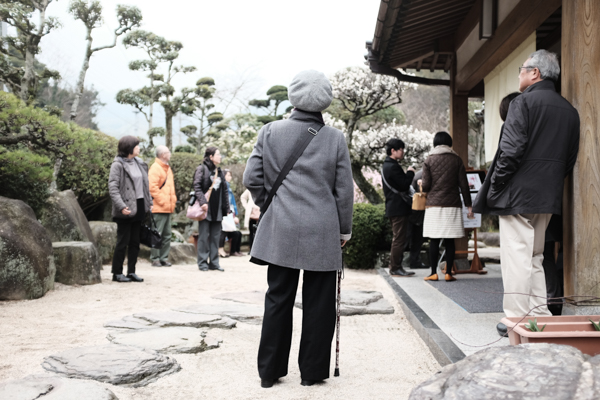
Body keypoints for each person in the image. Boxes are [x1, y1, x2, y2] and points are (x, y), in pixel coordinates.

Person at [243, 70, 353, 388]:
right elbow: (344, 192)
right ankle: (312, 373)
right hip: (322, 229)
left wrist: (270, 203)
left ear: (292, 96)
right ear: (325, 101)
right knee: (320, 303)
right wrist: (343, 231)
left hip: (281, 227)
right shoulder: (334, 139)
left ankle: (269, 372)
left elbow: (251, 177)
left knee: (278, 298)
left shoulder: (270, 131)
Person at [473, 49, 580, 320]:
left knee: (517, 257)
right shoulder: (570, 111)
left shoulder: (523, 103)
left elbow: (510, 151)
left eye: (522, 68)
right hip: (547, 196)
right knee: (536, 256)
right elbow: (569, 159)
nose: (519, 73)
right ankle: (539, 315)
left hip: (516, 196)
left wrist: (496, 185)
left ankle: (517, 318)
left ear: (535, 72)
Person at [420, 131, 473, 282]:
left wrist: (421, 185)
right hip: (452, 204)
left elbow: (426, 185)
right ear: (449, 143)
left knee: (434, 240)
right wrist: (469, 205)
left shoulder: (429, 160)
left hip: (434, 205)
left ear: (435, 143)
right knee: (450, 240)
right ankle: (448, 272)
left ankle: (433, 273)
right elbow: (464, 185)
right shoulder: (456, 160)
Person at [108, 135, 153, 283]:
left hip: (139, 205)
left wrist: (149, 202)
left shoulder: (140, 163)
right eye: (136, 146)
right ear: (129, 148)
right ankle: (117, 272)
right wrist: (121, 206)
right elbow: (113, 188)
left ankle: (131, 271)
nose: (139, 148)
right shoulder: (118, 165)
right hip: (125, 207)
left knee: (135, 241)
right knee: (123, 241)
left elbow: (145, 186)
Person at [381, 138, 416, 277]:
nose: (403, 152)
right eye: (401, 149)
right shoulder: (393, 166)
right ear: (393, 151)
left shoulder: (386, 165)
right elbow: (404, 184)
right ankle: (395, 268)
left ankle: (395, 266)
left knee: (398, 238)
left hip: (393, 207)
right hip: (398, 208)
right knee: (399, 239)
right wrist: (410, 172)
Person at [193, 147, 230, 272]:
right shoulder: (202, 169)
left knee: (216, 236)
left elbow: (225, 190)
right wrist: (203, 202)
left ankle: (214, 262)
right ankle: (202, 263)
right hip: (205, 209)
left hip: (217, 209)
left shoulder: (219, 171)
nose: (220, 157)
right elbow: (196, 186)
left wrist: (227, 208)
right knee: (203, 236)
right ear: (211, 157)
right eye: (218, 154)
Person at [148, 145, 177, 267]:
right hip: (159, 207)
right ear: (163, 154)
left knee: (167, 234)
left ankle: (164, 258)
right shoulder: (155, 168)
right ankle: (155, 258)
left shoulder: (167, 168)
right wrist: (164, 201)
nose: (170, 154)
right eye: (168, 152)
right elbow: (152, 188)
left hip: (168, 207)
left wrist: (172, 201)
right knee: (157, 233)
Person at [406, 169, 428, 269]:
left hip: (412, 210)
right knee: (416, 238)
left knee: (412, 237)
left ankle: (413, 261)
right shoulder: (423, 175)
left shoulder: (419, 174)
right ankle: (414, 261)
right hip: (417, 210)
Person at [219, 169, 243, 257]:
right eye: (228, 175)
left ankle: (234, 251)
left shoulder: (228, 188)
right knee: (223, 231)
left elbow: (232, 203)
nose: (230, 177)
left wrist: (234, 214)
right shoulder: (222, 186)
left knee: (236, 232)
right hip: (224, 213)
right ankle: (220, 250)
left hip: (229, 214)